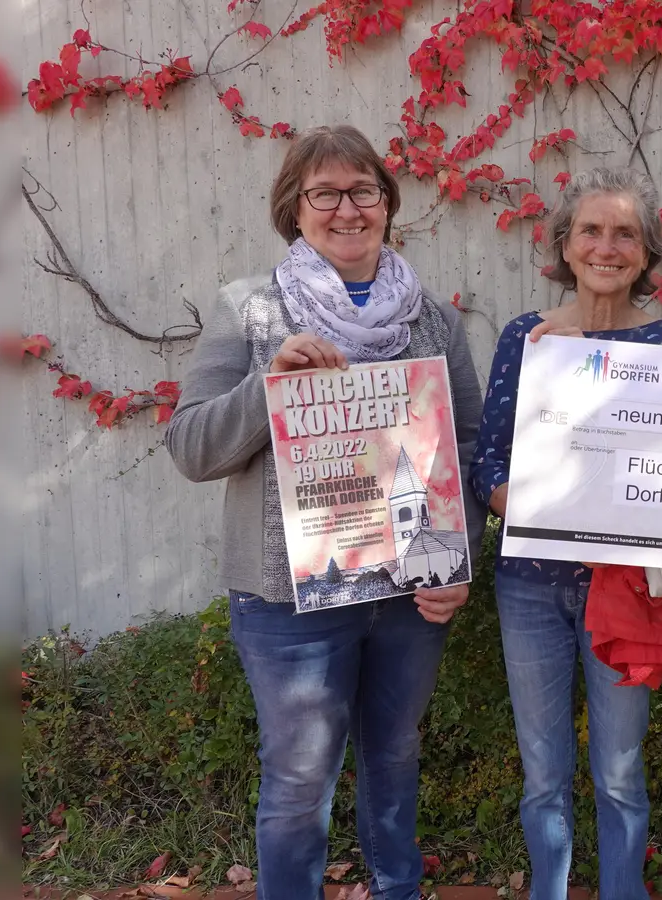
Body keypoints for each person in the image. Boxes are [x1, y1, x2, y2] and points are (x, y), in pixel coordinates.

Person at [167, 124, 487, 900]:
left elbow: (470, 449)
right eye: (325, 193)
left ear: (386, 202)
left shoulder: (434, 322)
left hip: (408, 593)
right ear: (295, 208)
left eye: (363, 190)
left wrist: (458, 560)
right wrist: (266, 385)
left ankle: (396, 888)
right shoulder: (249, 310)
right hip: (288, 599)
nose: (347, 208)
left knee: (396, 756)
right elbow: (190, 448)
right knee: (300, 776)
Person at [468, 167, 662, 900]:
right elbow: (488, 463)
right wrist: (543, 517)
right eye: (590, 230)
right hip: (532, 586)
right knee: (543, 772)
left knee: (621, 769)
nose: (607, 246)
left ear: (647, 252)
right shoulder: (525, 339)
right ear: (563, 246)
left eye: (625, 233)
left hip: (627, 591)